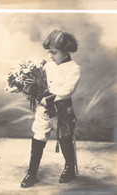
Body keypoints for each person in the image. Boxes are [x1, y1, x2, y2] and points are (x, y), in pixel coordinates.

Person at [21, 29, 81, 188]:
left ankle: (69, 168)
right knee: (38, 135)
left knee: (64, 137)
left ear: (65, 50)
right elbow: (40, 83)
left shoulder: (74, 68)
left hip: (61, 109)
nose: (50, 56)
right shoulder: (48, 66)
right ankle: (32, 172)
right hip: (44, 108)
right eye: (48, 52)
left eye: (54, 52)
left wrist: (47, 96)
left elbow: (67, 90)